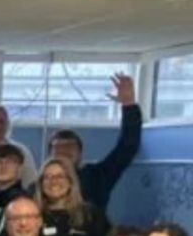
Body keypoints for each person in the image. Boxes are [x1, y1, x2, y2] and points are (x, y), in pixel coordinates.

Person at [48, 74, 141, 210]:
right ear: (49, 155)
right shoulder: (40, 184)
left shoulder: (97, 177)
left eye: (69, 147)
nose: (63, 152)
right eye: (57, 148)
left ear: (80, 154)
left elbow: (127, 147)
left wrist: (129, 105)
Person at [35, 157, 110, 236]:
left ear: (70, 182)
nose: (54, 181)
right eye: (47, 177)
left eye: (60, 176)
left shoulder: (90, 215)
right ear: (40, 184)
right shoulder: (31, 215)